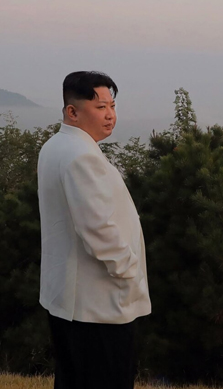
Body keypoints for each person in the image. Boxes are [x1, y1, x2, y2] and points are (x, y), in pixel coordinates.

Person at [37, 71, 151, 389]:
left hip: (69, 299)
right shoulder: (81, 156)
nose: (110, 115)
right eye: (100, 107)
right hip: (96, 305)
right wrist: (129, 272)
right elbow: (98, 229)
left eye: (112, 105)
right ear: (72, 112)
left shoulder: (55, 146)